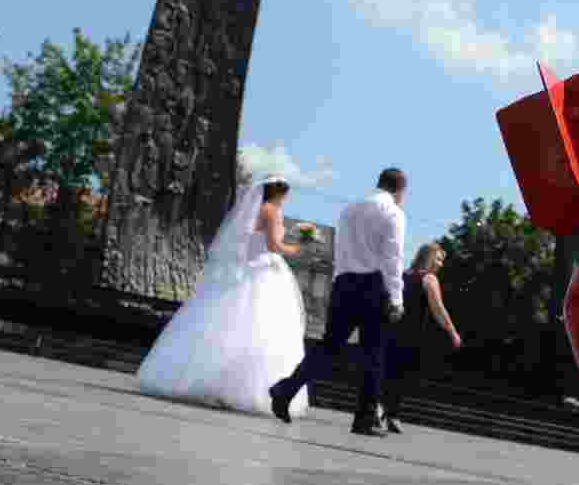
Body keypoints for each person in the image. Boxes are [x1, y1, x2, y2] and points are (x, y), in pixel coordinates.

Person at [137, 174, 309, 417]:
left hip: (246, 269)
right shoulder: (272, 210)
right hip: (263, 270)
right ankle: (248, 389)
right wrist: (298, 247)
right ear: (281, 192)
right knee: (262, 329)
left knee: (222, 324)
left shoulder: (256, 209)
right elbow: (273, 245)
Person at [269, 168, 407, 436]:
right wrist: (397, 298)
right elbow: (393, 259)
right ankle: (365, 418)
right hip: (374, 285)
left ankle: (286, 390)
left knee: (328, 346)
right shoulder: (393, 213)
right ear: (400, 190)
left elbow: (341, 250)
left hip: (344, 283)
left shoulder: (350, 209)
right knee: (373, 354)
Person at [382, 242, 462, 434]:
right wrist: (452, 331)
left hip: (391, 329)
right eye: (439, 259)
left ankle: (388, 413)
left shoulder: (403, 275)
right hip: (411, 333)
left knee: (390, 373)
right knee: (401, 374)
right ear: (429, 257)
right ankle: (390, 414)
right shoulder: (429, 279)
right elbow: (438, 309)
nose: (441, 264)